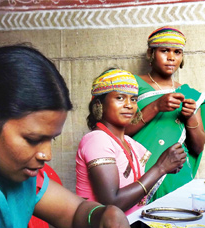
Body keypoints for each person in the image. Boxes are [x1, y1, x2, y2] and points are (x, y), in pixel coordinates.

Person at [0, 44, 135, 228]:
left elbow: (75, 212)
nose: (46, 155)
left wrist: (105, 214)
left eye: (52, 139)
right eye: (32, 139)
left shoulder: (13, 174)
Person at [75, 68, 186, 215]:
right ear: (98, 103)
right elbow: (112, 203)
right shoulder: (97, 139)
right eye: (120, 98)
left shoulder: (130, 143)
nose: (129, 105)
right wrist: (160, 168)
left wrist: (170, 164)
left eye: (133, 99)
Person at [125, 26, 205, 202]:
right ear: (150, 53)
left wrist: (190, 116)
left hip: (176, 174)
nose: (171, 57)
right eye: (164, 51)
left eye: (177, 52)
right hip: (139, 170)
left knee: (176, 225)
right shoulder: (131, 84)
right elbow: (120, 130)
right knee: (136, 226)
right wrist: (155, 107)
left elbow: (198, 147)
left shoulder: (189, 94)